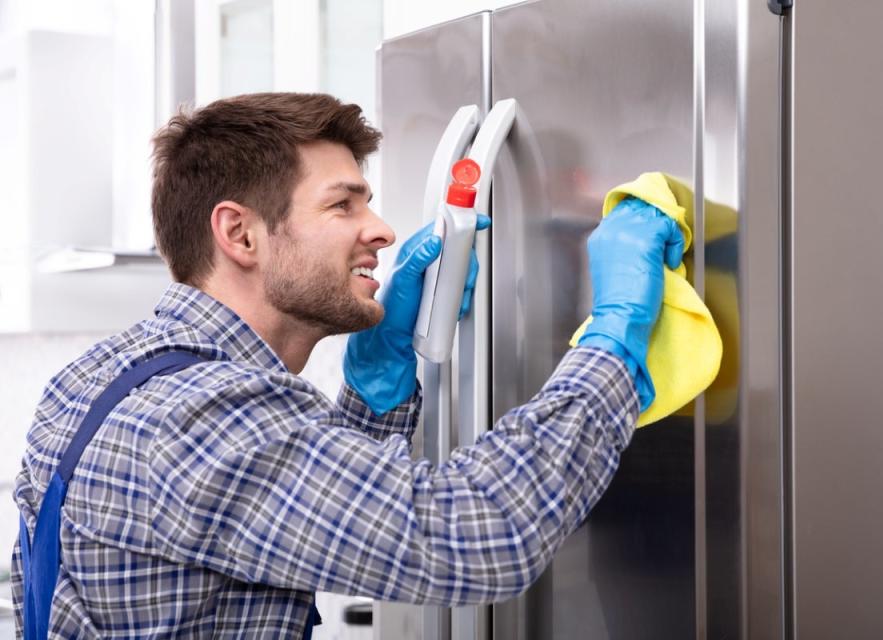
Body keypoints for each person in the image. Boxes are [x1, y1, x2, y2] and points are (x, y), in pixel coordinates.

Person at [11, 92, 683, 637]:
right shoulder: (206, 419)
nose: (383, 229)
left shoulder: (108, 374)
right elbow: (479, 534)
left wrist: (378, 390)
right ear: (239, 233)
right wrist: (613, 339)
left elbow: (314, 523)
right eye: (343, 203)